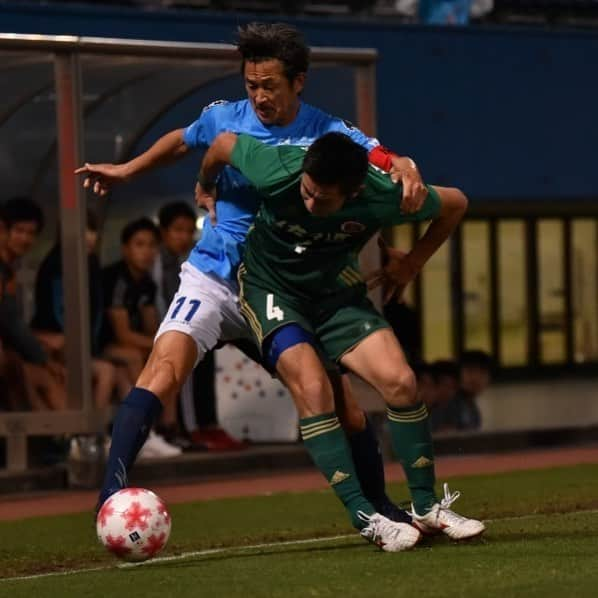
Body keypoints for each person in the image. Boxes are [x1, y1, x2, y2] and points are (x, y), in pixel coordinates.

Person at [76, 22, 424, 521]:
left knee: (339, 402)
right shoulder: (225, 118)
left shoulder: (326, 131)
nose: (259, 97)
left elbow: (376, 159)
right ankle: (109, 497)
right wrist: (128, 170)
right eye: (251, 85)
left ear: (298, 81)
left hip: (280, 287)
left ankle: (382, 506)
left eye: (270, 86)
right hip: (217, 275)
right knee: (165, 367)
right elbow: (182, 139)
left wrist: (405, 164)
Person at [197, 130, 485, 550]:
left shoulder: (385, 194)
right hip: (271, 290)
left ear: (352, 193)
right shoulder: (275, 167)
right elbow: (223, 143)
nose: (311, 203)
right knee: (314, 389)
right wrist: (206, 185)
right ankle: (365, 515)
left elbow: (456, 203)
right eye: (307, 192)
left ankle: (426, 507)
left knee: (401, 383)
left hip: (335, 294)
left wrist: (413, 264)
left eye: (323, 199)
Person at [102, 217, 182, 458]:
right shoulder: (115, 279)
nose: (146, 252)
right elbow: (123, 335)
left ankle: (166, 430)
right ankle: (144, 432)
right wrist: (161, 344)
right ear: (125, 248)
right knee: (137, 356)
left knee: (170, 356)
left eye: (151, 245)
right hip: (100, 346)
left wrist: (165, 344)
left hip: (129, 346)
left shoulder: (147, 283)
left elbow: (152, 328)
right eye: (139, 244)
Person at [0, 197, 67, 411]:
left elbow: (12, 323)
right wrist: (42, 358)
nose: (25, 239)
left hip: (11, 348)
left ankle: (67, 438)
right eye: (19, 231)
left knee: (55, 351)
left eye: (31, 233)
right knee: (43, 377)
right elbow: (10, 323)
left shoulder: (10, 269)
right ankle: (69, 437)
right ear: (3, 231)